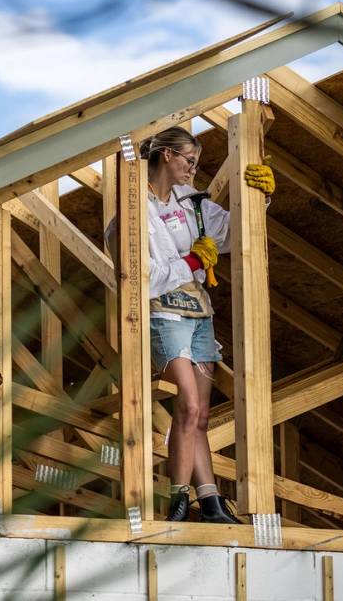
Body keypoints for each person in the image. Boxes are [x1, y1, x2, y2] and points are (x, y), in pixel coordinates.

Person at [106, 125, 275, 523]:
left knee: (200, 416)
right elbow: (139, 275)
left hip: (199, 315)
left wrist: (260, 198)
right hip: (164, 313)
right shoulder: (132, 212)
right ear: (166, 155)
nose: (193, 169)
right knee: (189, 404)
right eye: (189, 161)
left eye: (196, 163)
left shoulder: (193, 205)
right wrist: (193, 263)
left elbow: (233, 234)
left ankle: (211, 502)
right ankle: (177, 502)